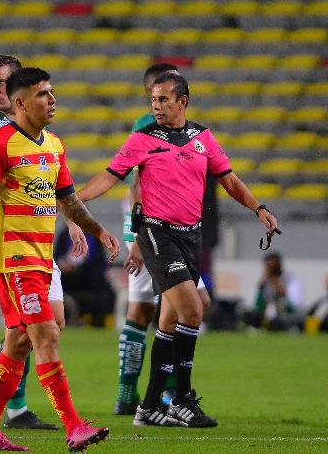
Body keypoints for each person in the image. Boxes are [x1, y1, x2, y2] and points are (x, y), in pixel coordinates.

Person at [77, 72, 278, 428]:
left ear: (182, 101)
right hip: (157, 235)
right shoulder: (142, 139)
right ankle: (183, 399)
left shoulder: (203, 137)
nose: (157, 106)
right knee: (194, 308)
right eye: (154, 100)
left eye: (164, 100)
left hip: (191, 237)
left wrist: (258, 208)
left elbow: (229, 179)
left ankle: (150, 405)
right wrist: (73, 200)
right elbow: (110, 176)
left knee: (169, 320)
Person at [0, 67, 118, 451]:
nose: (52, 99)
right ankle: (74, 426)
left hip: (42, 261)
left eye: (53, 92)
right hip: (13, 261)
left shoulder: (53, 146)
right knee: (47, 334)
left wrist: (98, 231)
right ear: (21, 102)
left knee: (18, 345)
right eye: (43, 94)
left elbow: (69, 201)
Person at [114, 63, 212, 415]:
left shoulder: (189, 133)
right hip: (147, 226)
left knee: (182, 308)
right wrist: (137, 237)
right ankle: (131, 395)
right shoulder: (146, 128)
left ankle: (160, 394)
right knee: (144, 309)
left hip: (171, 228)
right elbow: (137, 183)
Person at [242, 253, 303, 331]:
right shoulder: (263, 282)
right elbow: (256, 307)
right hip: (268, 316)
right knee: (249, 316)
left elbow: (295, 307)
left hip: (286, 316)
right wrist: (261, 288)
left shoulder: (291, 280)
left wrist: (278, 287)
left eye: (274, 266)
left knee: (277, 322)